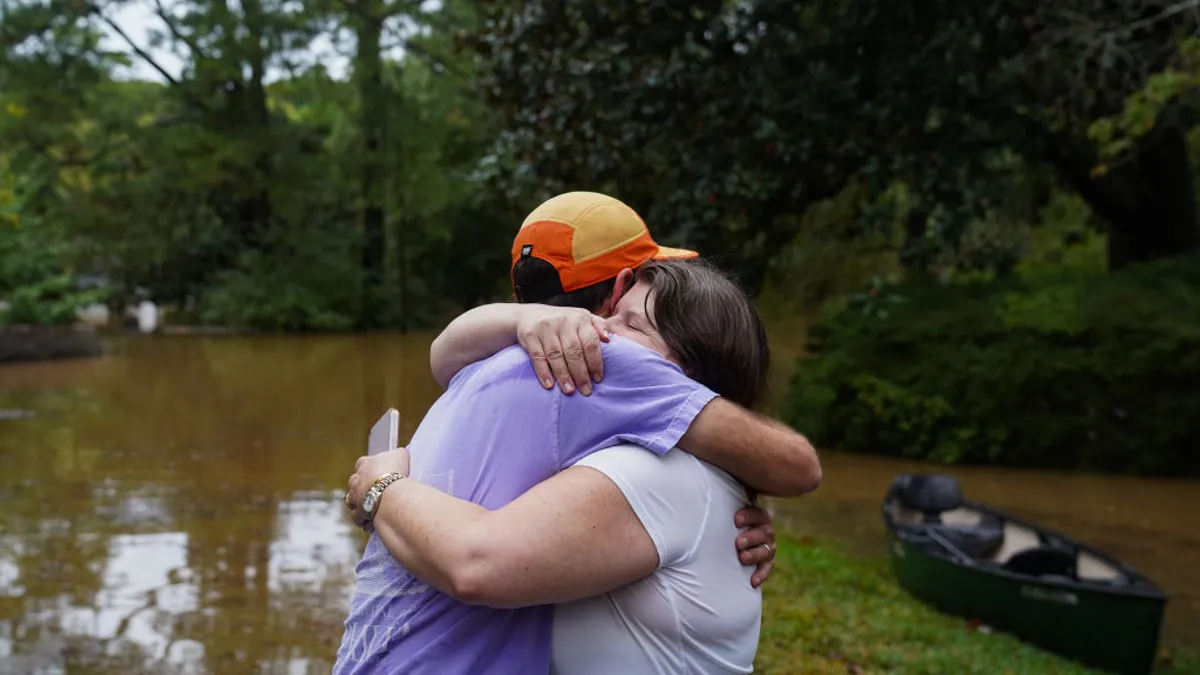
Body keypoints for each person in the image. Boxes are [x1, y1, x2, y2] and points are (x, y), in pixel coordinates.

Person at [334, 192, 821, 675]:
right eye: (614, 317)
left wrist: (382, 487)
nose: (606, 334)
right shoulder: (581, 394)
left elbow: (474, 562)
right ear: (617, 285)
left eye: (630, 324)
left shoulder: (609, 397)